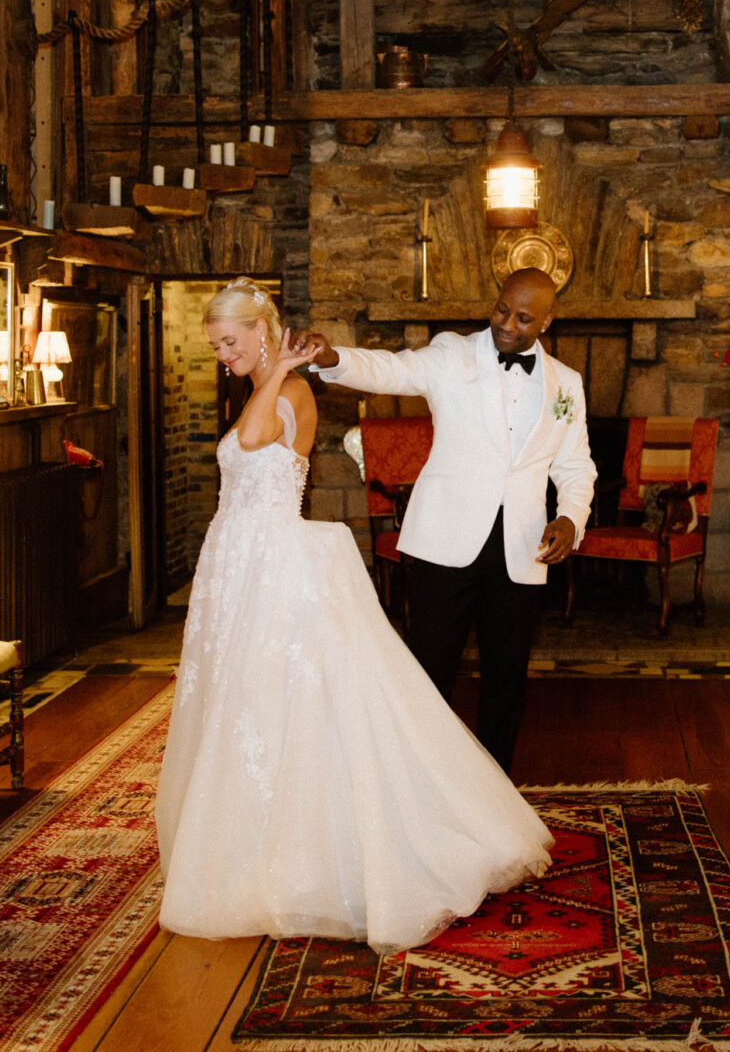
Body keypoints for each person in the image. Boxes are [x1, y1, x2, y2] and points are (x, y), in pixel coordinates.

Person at [154, 279, 552, 954]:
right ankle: (255, 837)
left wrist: (280, 366)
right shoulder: (264, 384)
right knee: (248, 705)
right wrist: (265, 368)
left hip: (274, 562)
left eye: (230, 342)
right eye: (215, 345)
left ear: (260, 332)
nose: (222, 355)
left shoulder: (291, 391)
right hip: (239, 563)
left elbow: (253, 440)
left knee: (286, 703)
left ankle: (334, 851)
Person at [295, 268, 595, 771]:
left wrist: (570, 517)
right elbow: (390, 370)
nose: (507, 323)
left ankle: (494, 787)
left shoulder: (568, 384)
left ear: (547, 321)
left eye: (523, 318)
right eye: (502, 309)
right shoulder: (452, 354)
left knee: (506, 678)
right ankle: (420, 784)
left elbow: (576, 465)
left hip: (522, 551)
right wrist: (332, 358)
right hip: (444, 543)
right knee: (428, 672)